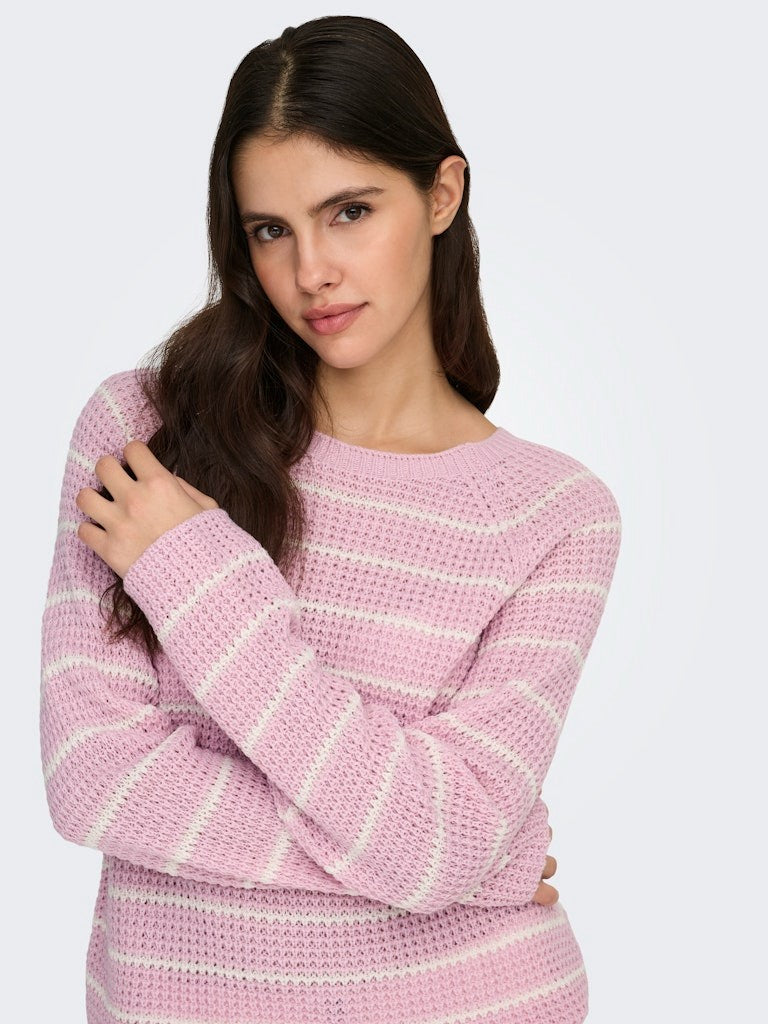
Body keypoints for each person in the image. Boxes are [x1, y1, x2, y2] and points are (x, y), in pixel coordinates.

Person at [40, 14, 621, 1023]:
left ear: (442, 194)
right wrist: (473, 864)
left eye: (349, 211)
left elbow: (437, 846)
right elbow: (94, 780)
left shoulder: (554, 514)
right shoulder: (144, 437)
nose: (311, 271)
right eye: (271, 229)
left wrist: (195, 571)